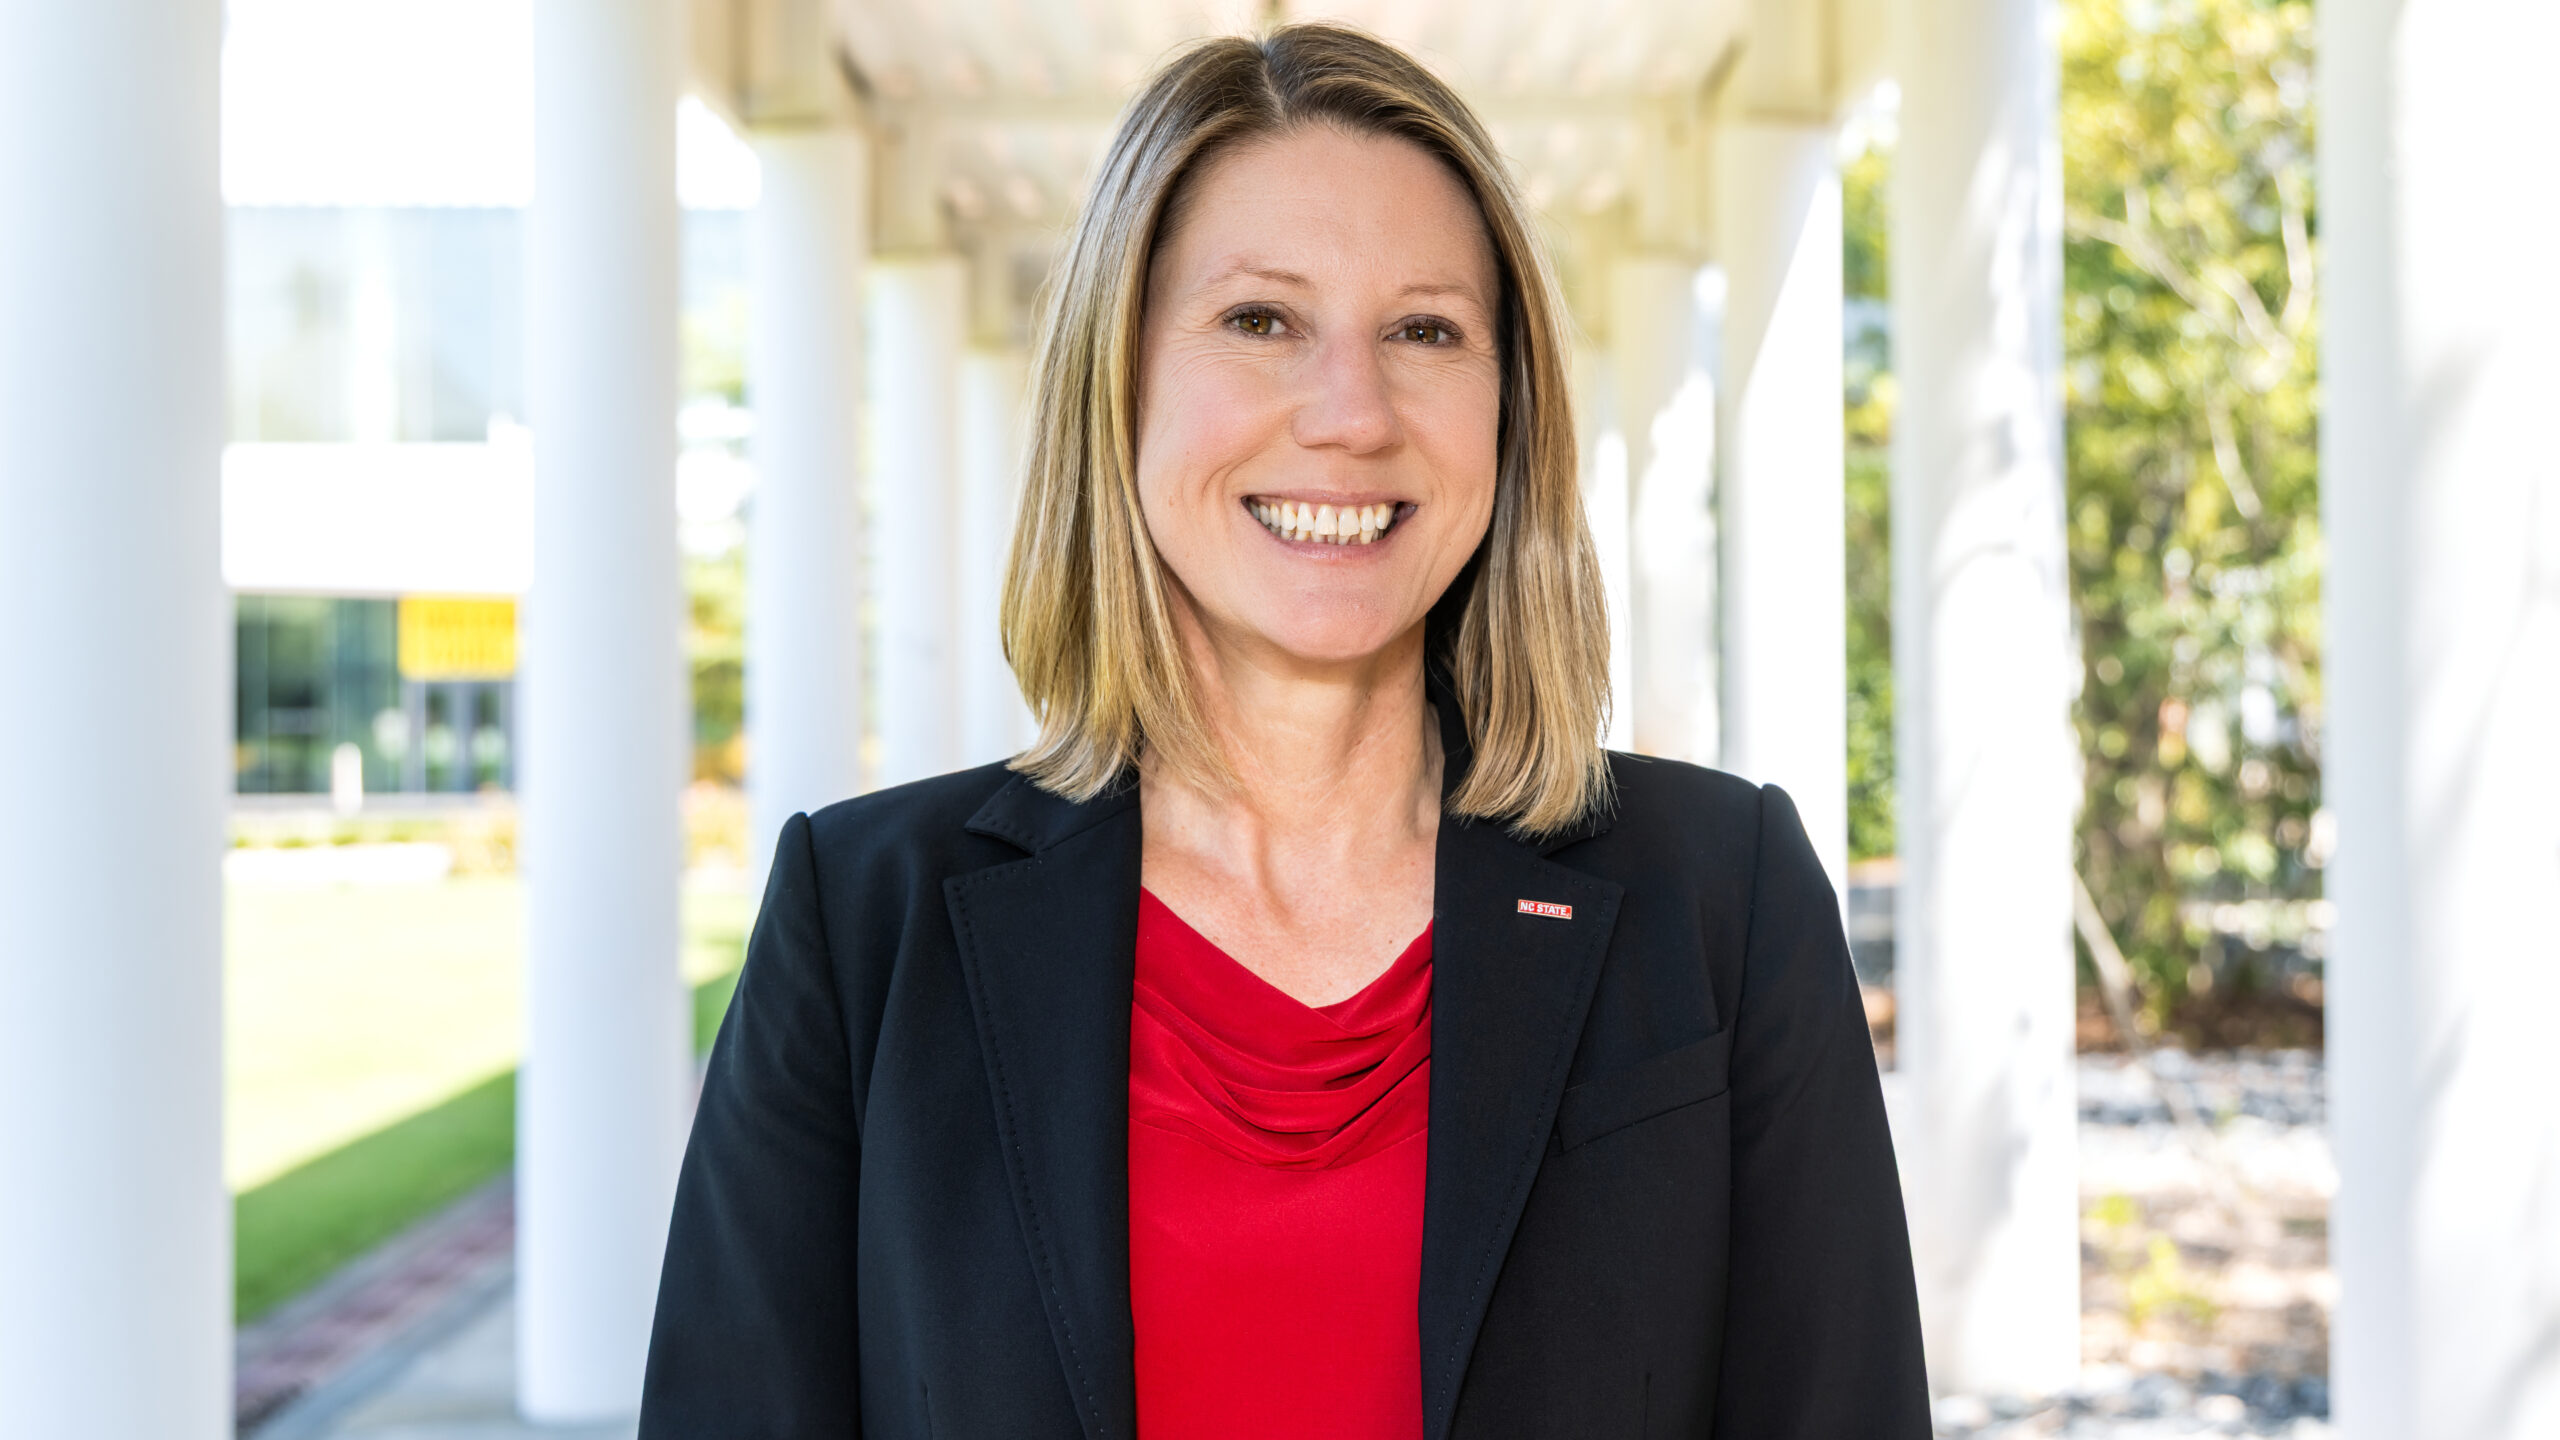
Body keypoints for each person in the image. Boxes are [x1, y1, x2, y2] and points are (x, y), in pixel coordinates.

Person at [640, 23, 1927, 1440]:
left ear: (1509, 412)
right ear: (1116, 382)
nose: (1352, 414)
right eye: (1261, 321)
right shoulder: (864, 923)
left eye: (1425, 331)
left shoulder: (1722, 899)